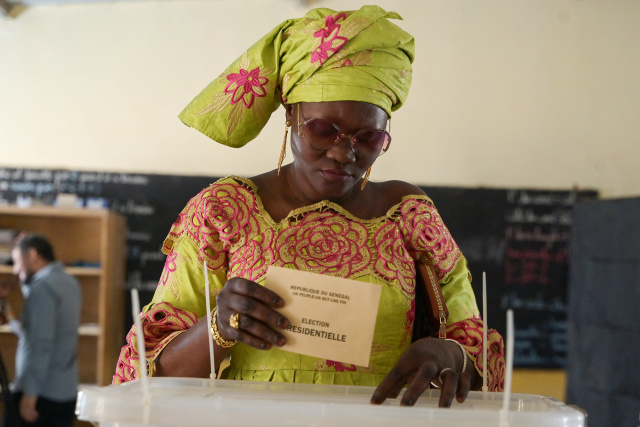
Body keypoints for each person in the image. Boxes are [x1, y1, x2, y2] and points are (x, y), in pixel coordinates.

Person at [114, 5, 505, 407]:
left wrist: (451, 354)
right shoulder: (223, 212)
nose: (343, 153)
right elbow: (145, 373)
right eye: (323, 129)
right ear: (289, 114)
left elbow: (475, 346)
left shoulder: (409, 216)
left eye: (368, 137)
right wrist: (218, 326)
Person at [3, 234, 81, 427]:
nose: (15, 269)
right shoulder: (70, 283)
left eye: (17, 261)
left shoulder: (42, 289)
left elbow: (40, 344)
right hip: (66, 391)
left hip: (40, 395)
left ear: (32, 254)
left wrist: (30, 393)